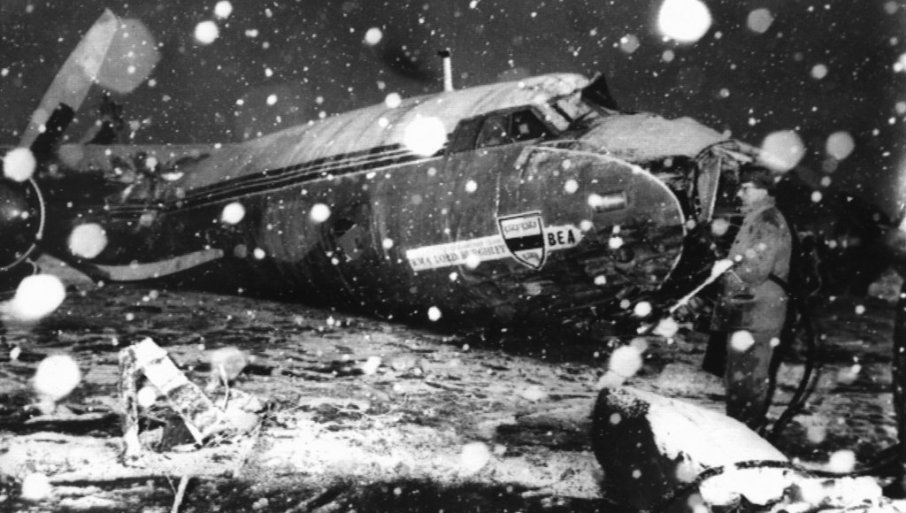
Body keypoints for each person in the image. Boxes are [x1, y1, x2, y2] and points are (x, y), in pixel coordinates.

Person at [702, 163, 793, 430]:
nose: (739, 194)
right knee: (738, 381)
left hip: (757, 316)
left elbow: (755, 270)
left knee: (747, 383)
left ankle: (746, 437)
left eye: (745, 188)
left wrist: (724, 272)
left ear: (762, 190)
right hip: (747, 314)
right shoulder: (757, 218)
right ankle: (741, 432)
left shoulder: (767, 221)